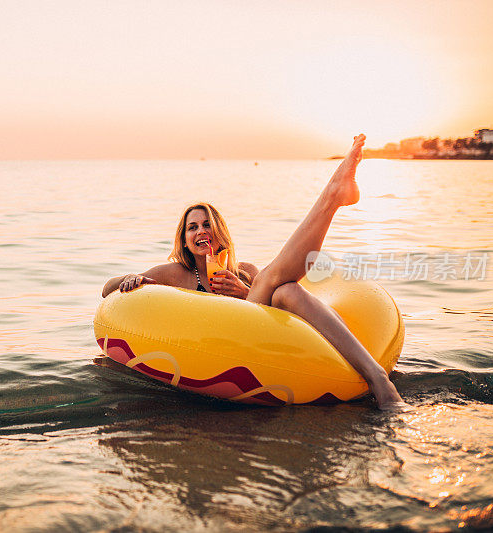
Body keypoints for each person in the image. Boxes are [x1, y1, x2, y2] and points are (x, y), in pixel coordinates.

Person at [102, 134, 407, 410]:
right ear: (184, 239)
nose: (200, 231)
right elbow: (108, 289)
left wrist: (244, 293)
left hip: (264, 348)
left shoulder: (245, 272)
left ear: (220, 231)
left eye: (207, 224)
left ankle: (376, 377)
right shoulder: (174, 274)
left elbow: (271, 313)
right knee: (277, 283)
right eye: (192, 227)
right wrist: (128, 278)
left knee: (286, 289)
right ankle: (332, 198)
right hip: (216, 347)